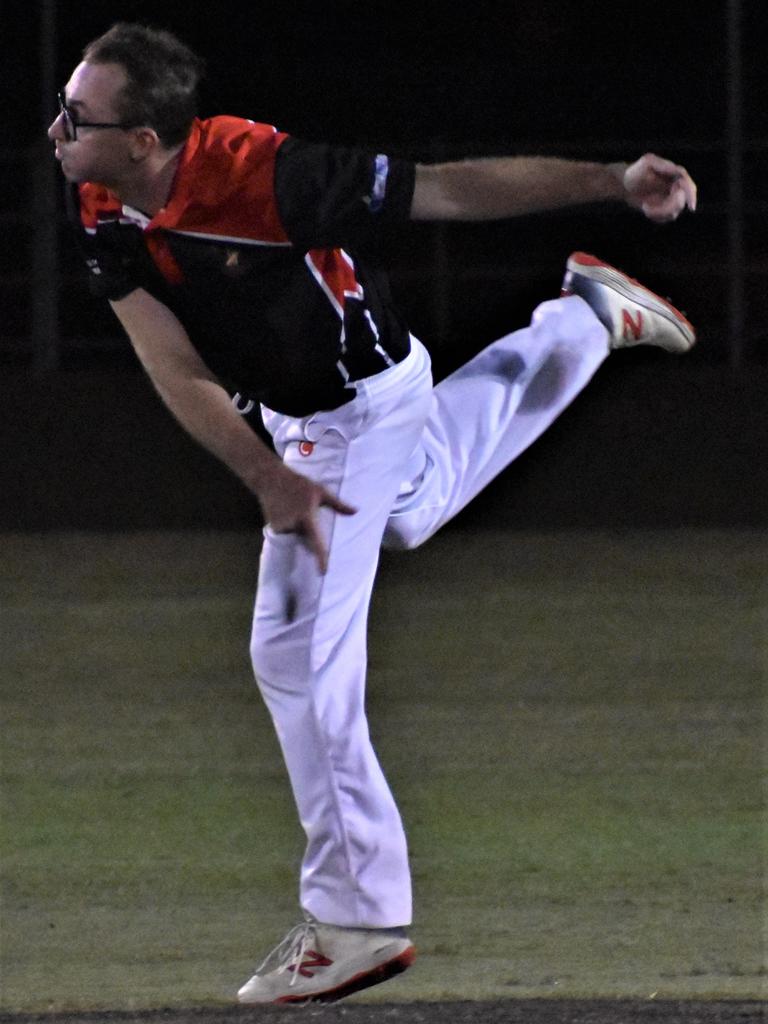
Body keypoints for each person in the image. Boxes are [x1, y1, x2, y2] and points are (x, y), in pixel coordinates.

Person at [49, 22, 697, 1005]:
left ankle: (357, 917)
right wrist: (263, 471)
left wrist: (611, 179)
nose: (55, 127)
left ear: (145, 138)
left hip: (354, 407)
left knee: (304, 656)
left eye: (77, 116)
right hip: (313, 417)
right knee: (410, 514)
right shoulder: (99, 196)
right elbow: (168, 356)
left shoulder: (267, 175)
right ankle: (585, 320)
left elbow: (447, 188)